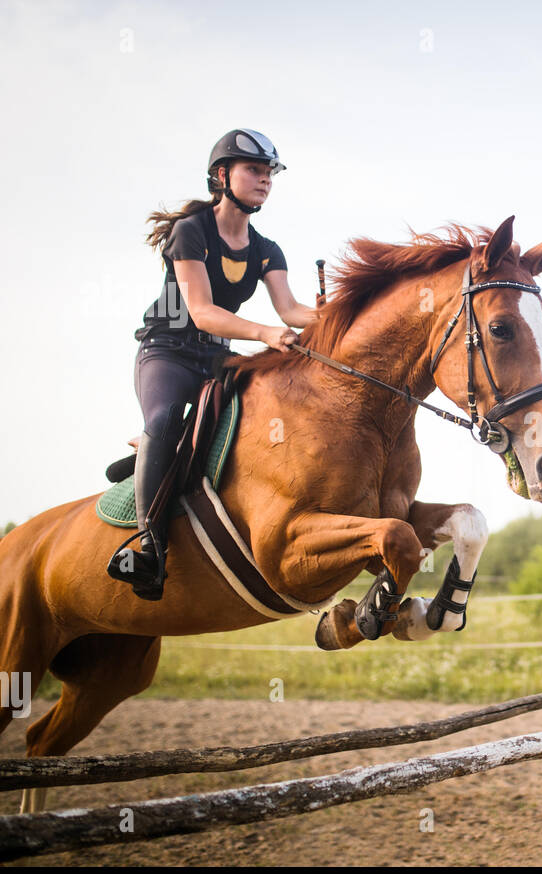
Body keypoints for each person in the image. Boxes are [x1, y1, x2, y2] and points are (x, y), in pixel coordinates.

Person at [107, 128, 318, 600]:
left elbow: (290, 311)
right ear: (222, 176)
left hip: (216, 356)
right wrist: (264, 334)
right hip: (168, 352)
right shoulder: (191, 232)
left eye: (270, 174)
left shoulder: (267, 249)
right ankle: (148, 547)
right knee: (162, 419)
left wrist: (341, 316)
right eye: (255, 170)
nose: (265, 180)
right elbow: (201, 312)